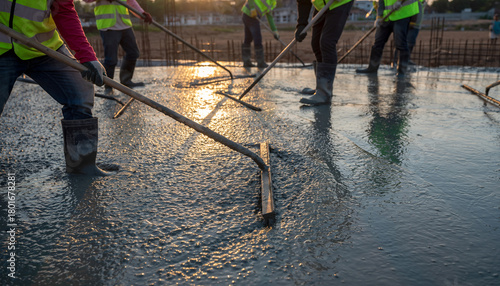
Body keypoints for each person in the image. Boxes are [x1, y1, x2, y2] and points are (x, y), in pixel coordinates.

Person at [0, 0, 114, 175]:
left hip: (43, 48)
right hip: (2, 48)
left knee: (80, 92)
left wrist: (86, 56)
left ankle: (82, 165)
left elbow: (64, 11)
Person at [84, 0, 152, 95]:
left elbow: (130, 1)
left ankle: (126, 81)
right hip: (108, 26)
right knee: (111, 59)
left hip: (125, 25)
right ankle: (108, 86)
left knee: (133, 53)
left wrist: (142, 13)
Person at [295, 0, 354, 105]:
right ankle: (320, 87)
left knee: (327, 42)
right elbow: (303, 1)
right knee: (316, 43)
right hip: (321, 5)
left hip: (339, 3)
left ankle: (324, 93)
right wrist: (301, 24)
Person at [356, 0, 419, 76]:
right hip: (387, 16)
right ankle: (372, 68)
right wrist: (379, 17)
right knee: (378, 42)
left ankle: (401, 72)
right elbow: (381, 1)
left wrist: (399, 1)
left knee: (400, 43)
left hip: (402, 14)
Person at [241, 0, 279, 68]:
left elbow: (270, 17)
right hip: (248, 13)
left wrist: (274, 31)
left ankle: (246, 62)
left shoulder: (272, 3)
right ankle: (260, 62)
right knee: (257, 38)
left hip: (253, 16)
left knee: (248, 38)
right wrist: (252, 8)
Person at [393, 0, 426, 67]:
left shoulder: (421, 2)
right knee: (401, 42)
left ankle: (406, 60)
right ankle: (396, 61)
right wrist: (411, 22)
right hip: (410, 24)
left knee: (410, 43)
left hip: (416, 25)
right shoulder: (414, 1)